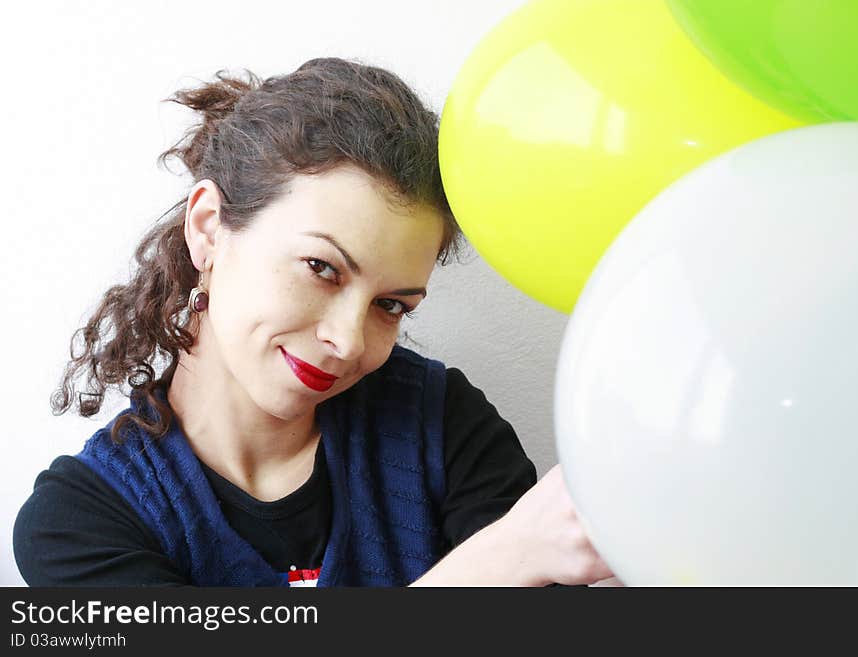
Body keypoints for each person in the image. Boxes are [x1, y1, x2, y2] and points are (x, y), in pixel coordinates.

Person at [13, 58, 616, 587]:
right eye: (321, 268)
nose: (348, 341)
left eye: (391, 306)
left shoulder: (445, 427)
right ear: (207, 229)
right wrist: (499, 563)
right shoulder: (83, 521)